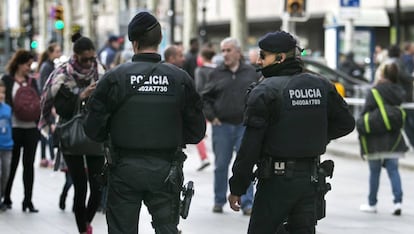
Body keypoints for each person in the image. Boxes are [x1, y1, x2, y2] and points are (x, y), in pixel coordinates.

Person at [84, 11, 206, 234]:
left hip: (123, 169)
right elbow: (197, 131)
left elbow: (92, 129)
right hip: (166, 169)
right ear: (159, 41)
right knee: (167, 229)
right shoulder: (179, 78)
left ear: (134, 42)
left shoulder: (114, 78)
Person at [227, 31, 355, 233]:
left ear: (280, 58)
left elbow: (250, 146)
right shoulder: (320, 84)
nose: (259, 61)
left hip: (276, 183)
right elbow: (346, 123)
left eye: (263, 55)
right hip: (310, 180)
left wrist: (237, 187)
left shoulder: (264, 91)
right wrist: (314, 136)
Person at [39, 33, 105, 234]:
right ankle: (83, 230)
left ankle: (85, 224)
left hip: (94, 135)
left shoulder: (100, 73)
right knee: (80, 187)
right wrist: (81, 95)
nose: (88, 63)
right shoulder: (62, 75)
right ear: (75, 56)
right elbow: (61, 109)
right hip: (70, 135)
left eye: (91, 58)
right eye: (84, 59)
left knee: (97, 188)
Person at [202, 37, 259, 214]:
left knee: (245, 165)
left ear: (238, 52)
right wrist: (212, 117)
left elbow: (260, 96)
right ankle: (219, 200)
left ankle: (247, 202)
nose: (225, 54)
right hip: (222, 126)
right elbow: (205, 97)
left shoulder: (251, 72)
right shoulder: (216, 73)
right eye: (223, 50)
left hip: (244, 126)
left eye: (228, 50)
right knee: (221, 165)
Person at [358, 61, 407, 216]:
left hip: (375, 138)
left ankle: (372, 203)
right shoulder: (398, 91)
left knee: (374, 172)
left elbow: (365, 112)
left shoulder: (375, 91)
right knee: (393, 170)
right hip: (393, 137)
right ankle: (397, 202)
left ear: (383, 74)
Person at [1, 49, 40, 213]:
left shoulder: (32, 81)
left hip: (31, 128)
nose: (28, 68)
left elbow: (38, 100)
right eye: (26, 64)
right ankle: (6, 197)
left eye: (30, 65)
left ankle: (28, 200)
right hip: (13, 128)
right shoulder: (7, 81)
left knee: (29, 165)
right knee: (11, 165)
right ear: (18, 63)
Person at [36, 42, 62, 168]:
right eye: (57, 51)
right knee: (50, 129)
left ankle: (43, 157)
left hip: (45, 102)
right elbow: (47, 87)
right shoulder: (47, 66)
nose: (59, 53)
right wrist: (51, 105)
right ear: (50, 53)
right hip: (48, 102)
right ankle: (51, 158)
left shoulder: (47, 65)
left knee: (45, 130)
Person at [193, 45, 216, 171]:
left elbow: (199, 89)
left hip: (203, 106)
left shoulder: (200, 71)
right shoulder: (218, 70)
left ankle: (204, 157)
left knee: (199, 133)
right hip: (217, 106)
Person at [0, 80, 13, 211]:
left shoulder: (8, 108)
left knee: (5, 174)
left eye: (3, 92)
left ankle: (2, 196)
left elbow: (10, 126)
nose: (1, 95)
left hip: (7, 146)